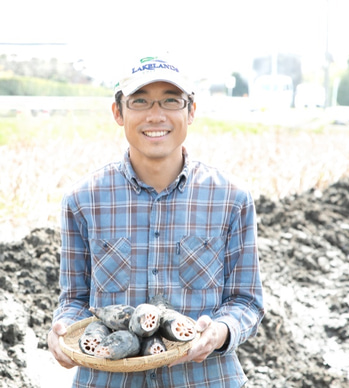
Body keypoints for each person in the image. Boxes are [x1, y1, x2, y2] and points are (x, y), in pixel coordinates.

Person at [47, 55, 265, 387]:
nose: (156, 115)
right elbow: (76, 299)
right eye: (141, 101)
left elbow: (246, 300)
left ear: (191, 111)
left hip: (205, 378)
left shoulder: (231, 199)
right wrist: (64, 332)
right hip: (107, 378)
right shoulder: (83, 200)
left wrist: (219, 331)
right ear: (118, 112)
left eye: (170, 101)